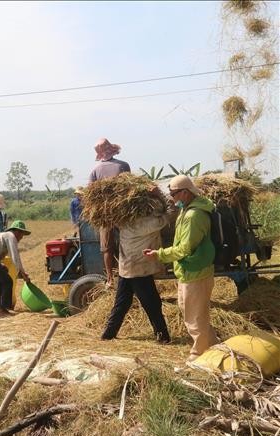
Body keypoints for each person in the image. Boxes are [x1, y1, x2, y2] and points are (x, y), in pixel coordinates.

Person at [143, 175, 218, 362]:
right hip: (189, 271)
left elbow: (185, 248)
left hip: (195, 271)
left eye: (173, 194)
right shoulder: (187, 210)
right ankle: (214, 347)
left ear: (185, 193)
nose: (171, 197)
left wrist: (160, 254)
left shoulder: (194, 215)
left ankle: (198, 354)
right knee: (193, 312)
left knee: (194, 318)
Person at [101, 193, 171, 343]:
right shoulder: (144, 224)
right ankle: (163, 336)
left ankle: (108, 334)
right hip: (139, 269)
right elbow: (168, 215)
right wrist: (158, 195)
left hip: (127, 268)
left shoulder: (124, 222)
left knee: (122, 303)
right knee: (152, 303)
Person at [88, 138, 131, 288]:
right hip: (123, 212)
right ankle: (126, 273)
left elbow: (90, 194)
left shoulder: (95, 170)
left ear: (99, 154)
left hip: (104, 214)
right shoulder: (123, 165)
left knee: (107, 247)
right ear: (111, 150)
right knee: (127, 243)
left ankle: (110, 279)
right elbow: (130, 188)